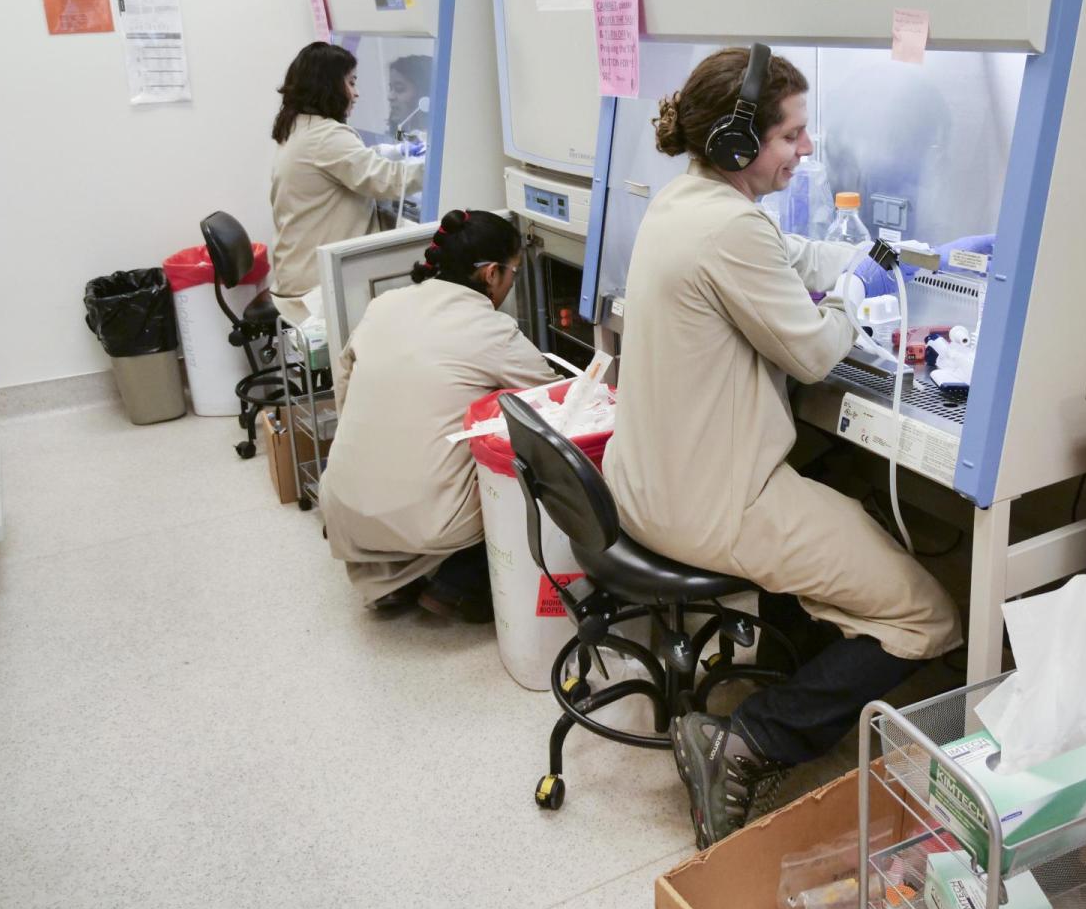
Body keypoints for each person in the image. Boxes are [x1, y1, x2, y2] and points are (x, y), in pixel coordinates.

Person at [602, 46, 962, 848]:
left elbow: (788, 256)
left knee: (837, 479)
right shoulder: (729, 227)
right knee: (927, 616)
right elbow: (814, 353)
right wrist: (852, 295)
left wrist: (886, 257)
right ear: (740, 144)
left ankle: (800, 650)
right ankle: (749, 738)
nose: (805, 152)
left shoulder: (686, 201)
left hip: (650, 480)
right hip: (716, 502)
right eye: (792, 136)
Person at [318, 209, 558, 618]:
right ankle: (458, 581)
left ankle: (400, 578)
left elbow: (345, 386)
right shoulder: (489, 329)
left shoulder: (384, 305)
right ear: (491, 274)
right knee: (524, 455)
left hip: (342, 506)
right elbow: (554, 398)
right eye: (514, 273)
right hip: (434, 522)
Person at [269, 41, 426, 325]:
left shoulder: (299, 126)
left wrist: (389, 153)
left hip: (295, 271)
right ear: (329, 85)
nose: (356, 93)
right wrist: (436, 166)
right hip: (313, 290)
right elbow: (386, 180)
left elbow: (347, 164)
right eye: (350, 82)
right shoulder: (326, 136)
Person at [386, 54, 433, 138]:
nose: (390, 96)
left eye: (399, 89)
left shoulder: (430, 141)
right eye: (390, 88)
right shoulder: (397, 135)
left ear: (423, 95)